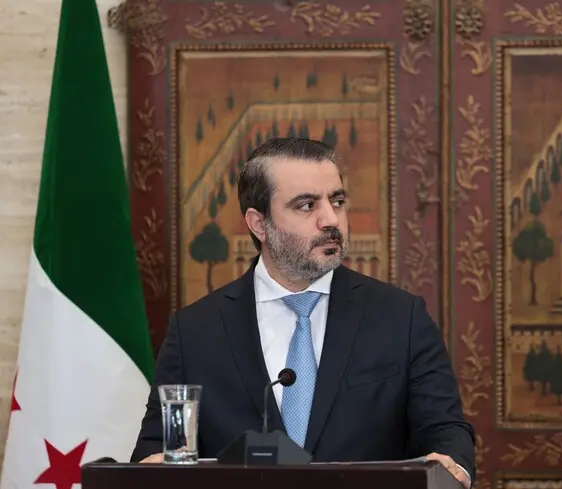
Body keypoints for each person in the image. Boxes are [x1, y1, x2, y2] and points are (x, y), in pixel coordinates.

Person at [130, 137, 475, 487]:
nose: (331, 219)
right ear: (259, 224)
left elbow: (445, 430)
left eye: (337, 201)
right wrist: (154, 468)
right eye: (307, 205)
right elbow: (158, 448)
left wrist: (452, 465)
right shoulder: (195, 333)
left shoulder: (401, 318)